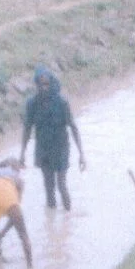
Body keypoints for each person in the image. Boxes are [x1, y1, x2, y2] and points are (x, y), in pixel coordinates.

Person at [20, 66, 86, 210]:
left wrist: (81, 154)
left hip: (61, 148)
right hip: (43, 149)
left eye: (46, 84)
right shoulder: (32, 104)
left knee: (61, 185)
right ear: (36, 85)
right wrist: (22, 153)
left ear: (51, 84)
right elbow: (27, 129)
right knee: (48, 187)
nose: (44, 88)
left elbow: (73, 127)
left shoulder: (62, 103)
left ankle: (68, 217)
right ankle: (53, 221)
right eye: (40, 85)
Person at [0, 158, 32, 269]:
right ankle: (30, 267)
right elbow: (15, 211)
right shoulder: (17, 178)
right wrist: (2, 233)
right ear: (14, 167)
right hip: (7, 195)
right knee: (23, 234)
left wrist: (0, 234)